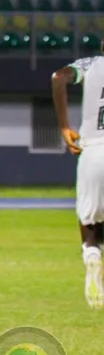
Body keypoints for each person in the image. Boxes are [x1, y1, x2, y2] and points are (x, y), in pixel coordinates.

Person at [52, 55, 104, 308]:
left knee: (90, 220)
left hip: (93, 150)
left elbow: (59, 77)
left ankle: (92, 255)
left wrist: (64, 126)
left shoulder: (91, 64)